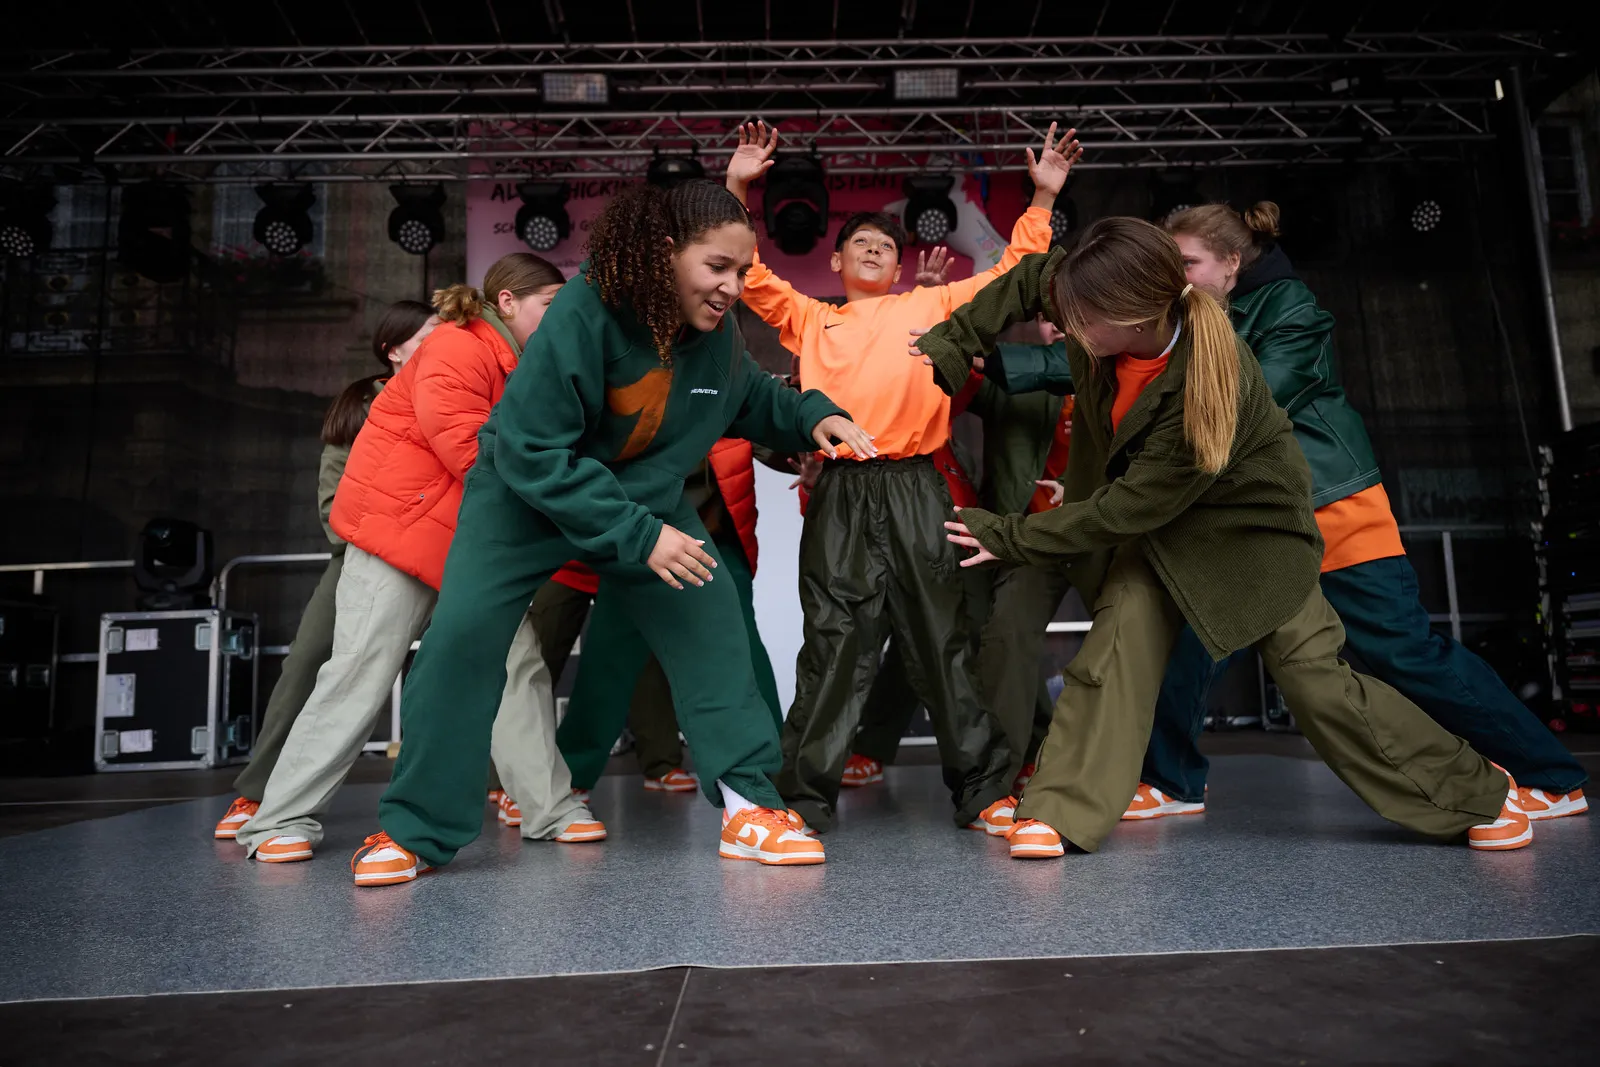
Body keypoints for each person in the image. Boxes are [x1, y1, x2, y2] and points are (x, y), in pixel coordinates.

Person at [912, 215, 1533, 860]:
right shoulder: (1095, 300)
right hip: (1156, 535)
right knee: (1113, 650)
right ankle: (1061, 810)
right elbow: (1025, 282)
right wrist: (954, 343)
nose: (1068, 328)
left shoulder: (1209, 384)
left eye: (1082, 319)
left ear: (1133, 316)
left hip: (1247, 537)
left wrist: (1010, 534)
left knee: (1317, 682)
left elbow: (1125, 507)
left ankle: (1475, 794)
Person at [351, 179, 874, 886]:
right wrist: (640, 534)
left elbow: (747, 392)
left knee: (711, 622)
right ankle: (415, 828)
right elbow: (534, 451)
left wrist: (811, 413)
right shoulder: (582, 313)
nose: (730, 287)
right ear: (664, 254)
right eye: (716, 267)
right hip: (525, 497)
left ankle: (750, 805)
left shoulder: (716, 336)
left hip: (643, 499)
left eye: (740, 273)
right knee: (461, 641)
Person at [1116, 202, 1588, 822]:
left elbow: (1244, 402)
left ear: (1232, 261)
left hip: (1327, 505)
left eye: (1188, 262)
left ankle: (1551, 777)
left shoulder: (1290, 309)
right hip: (1251, 519)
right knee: (1189, 643)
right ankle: (1172, 782)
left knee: (1402, 650)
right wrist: (1004, 366)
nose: (1177, 277)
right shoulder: (1192, 316)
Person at [725, 120, 1079, 834]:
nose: (876, 249)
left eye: (886, 244)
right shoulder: (811, 318)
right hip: (845, 490)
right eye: (861, 243)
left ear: (897, 264)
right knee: (832, 640)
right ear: (838, 261)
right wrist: (736, 186)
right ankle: (803, 798)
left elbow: (1013, 277)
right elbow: (749, 275)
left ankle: (983, 792)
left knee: (943, 637)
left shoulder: (932, 306)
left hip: (920, 485)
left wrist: (1041, 199)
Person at [234, 253, 607, 862]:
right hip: (402, 536)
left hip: (468, 541)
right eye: (549, 304)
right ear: (507, 302)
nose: (561, 316)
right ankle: (279, 819)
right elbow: (468, 449)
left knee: (519, 668)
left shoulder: (520, 362)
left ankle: (550, 806)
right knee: (360, 672)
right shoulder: (459, 347)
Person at [213, 300, 436, 840]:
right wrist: (387, 535)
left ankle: (507, 786)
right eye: (426, 334)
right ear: (393, 349)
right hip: (368, 555)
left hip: (443, 551)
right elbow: (334, 505)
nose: (438, 342)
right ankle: (259, 791)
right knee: (309, 662)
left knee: (474, 660)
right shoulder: (364, 404)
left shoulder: (458, 392)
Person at [557, 434, 787, 794]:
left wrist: (806, 451)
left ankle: (773, 778)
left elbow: (768, 424)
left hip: (715, 533)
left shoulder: (727, 381)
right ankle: (570, 776)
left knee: (742, 651)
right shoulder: (626, 382)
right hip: (641, 530)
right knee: (609, 655)